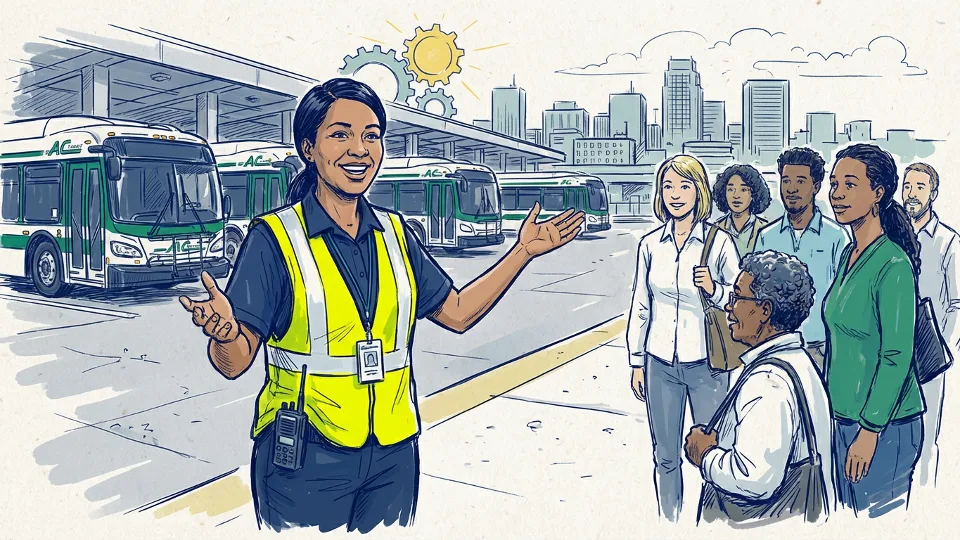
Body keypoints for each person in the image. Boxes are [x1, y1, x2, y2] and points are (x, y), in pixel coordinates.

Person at [178, 78, 584, 533]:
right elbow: (234, 364)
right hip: (305, 453)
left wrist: (522, 252)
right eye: (341, 134)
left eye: (372, 135)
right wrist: (226, 332)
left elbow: (456, 313)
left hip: (393, 451)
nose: (359, 149)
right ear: (309, 148)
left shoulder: (395, 233)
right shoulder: (273, 239)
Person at [685, 250, 836, 526]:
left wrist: (705, 455)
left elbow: (756, 480)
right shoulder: (798, 362)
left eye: (737, 298)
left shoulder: (768, 381)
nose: (728, 308)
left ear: (765, 310)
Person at [627, 154, 740, 523]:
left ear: (699, 191)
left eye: (684, 185)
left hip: (706, 364)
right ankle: (669, 522)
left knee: (713, 455)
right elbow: (642, 305)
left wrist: (716, 289)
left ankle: (712, 524)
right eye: (668, 186)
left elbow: (740, 302)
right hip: (660, 362)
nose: (675, 194)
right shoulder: (650, 245)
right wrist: (636, 362)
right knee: (665, 455)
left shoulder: (718, 242)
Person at [822, 143, 924, 518]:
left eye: (850, 185)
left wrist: (870, 431)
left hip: (885, 428)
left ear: (878, 193)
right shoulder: (849, 255)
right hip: (843, 419)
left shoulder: (893, 264)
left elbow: (897, 356)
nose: (837, 195)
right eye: (834, 185)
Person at [756, 147, 850, 373]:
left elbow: (845, 298)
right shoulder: (766, 237)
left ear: (816, 186)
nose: (792, 189)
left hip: (820, 348)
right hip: (774, 348)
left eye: (800, 181)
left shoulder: (837, 237)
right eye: (786, 180)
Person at [903, 162, 958, 489]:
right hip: (894, 349)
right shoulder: (892, 237)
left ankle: (923, 506)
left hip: (930, 353)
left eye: (920, 187)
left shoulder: (949, 242)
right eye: (908, 186)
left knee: (927, 433)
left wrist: (944, 346)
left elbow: (958, 303)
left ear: (933, 194)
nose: (912, 194)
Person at [711, 163, 772, 257]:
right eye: (730, 189)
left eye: (743, 190)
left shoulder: (767, 230)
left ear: (754, 193)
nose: (736, 195)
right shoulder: (715, 229)